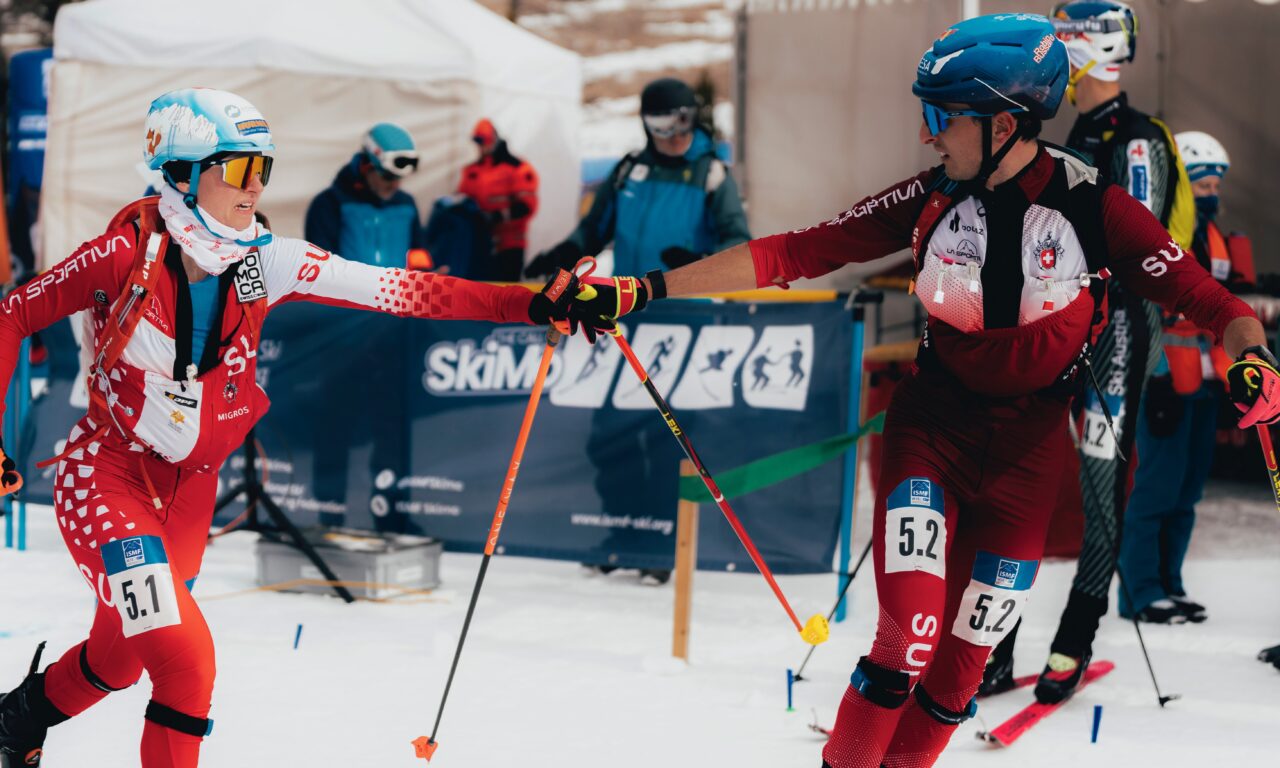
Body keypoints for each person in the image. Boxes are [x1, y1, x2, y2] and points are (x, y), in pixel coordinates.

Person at [555, 15, 1271, 767]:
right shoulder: (933, 196)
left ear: (1002, 123)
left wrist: (1252, 361)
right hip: (932, 434)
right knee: (907, 639)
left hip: (1025, 466)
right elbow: (792, 252)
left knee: (960, 676)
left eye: (942, 117)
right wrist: (643, 289)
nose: (930, 135)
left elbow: (1216, 306)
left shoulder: (1096, 206)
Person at [0, 88, 578, 768]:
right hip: (108, 479)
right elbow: (11, 314)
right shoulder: (120, 256)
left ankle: (16, 720)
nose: (257, 187)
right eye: (241, 169)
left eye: (264, 169)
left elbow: (407, 290)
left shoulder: (264, 259)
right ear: (183, 172)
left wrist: (530, 302)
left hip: (188, 493)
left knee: (120, 659)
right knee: (185, 664)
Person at [983, 0, 1200, 705]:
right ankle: (995, 644)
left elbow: (1137, 246)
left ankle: (1075, 638)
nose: (1057, 52)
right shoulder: (1065, 131)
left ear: (1094, 47)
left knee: (1099, 488)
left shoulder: (1139, 139)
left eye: (1065, 39)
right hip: (1049, 331)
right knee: (1015, 483)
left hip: (1116, 333)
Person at [1116, 130, 1255, 625]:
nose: (1211, 194)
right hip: (1163, 379)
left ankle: (1169, 584)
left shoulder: (1217, 238)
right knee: (1156, 486)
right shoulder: (1159, 239)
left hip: (1205, 380)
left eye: (1217, 184)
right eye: (1201, 185)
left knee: (1189, 489)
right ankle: (1139, 591)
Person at [524, 77, 750, 279]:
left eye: (683, 121)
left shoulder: (712, 174)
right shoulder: (628, 171)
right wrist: (566, 253)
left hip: (686, 310)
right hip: (625, 305)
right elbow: (594, 229)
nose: (676, 136)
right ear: (646, 124)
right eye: (663, 126)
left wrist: (703, 263)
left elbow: (738, 240)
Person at [304, 122, 427, 268]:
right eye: (388, 177)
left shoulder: (406, 203)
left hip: (396, 290)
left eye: (400, 178)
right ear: (366, 167)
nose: (395, 185)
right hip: (345, 290)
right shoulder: (329, 202)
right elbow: (320, 264)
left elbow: (417, 251)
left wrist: (425, 277)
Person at [456, 118, 539, 281]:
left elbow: (527, 206)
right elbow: (463, 198)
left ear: (492, 140)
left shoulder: (517, 168)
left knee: (506, 293)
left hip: (510, 244)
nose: (479, 147)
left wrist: (497, 216)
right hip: (479, 242)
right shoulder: (472, 170)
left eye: (482, 142)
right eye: (477, 142)